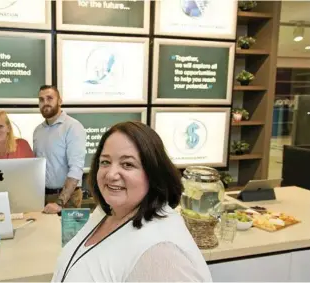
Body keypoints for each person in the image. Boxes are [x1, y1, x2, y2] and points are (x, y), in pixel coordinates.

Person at [51, 121, 212, 282]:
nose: (111, 174)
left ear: (153, 172)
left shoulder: (162, 253)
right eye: (105, 162)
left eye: (127, 164)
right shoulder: (107, 211)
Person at [33, 85, 86, 214]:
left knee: (65, 235)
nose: (45, 103)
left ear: (60, 101)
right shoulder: (38, 131)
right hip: (43, 197)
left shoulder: (73, 127)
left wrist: (60, 203)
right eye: (41, 100)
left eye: (49, 98)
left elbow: (76, 168)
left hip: (67, 199)